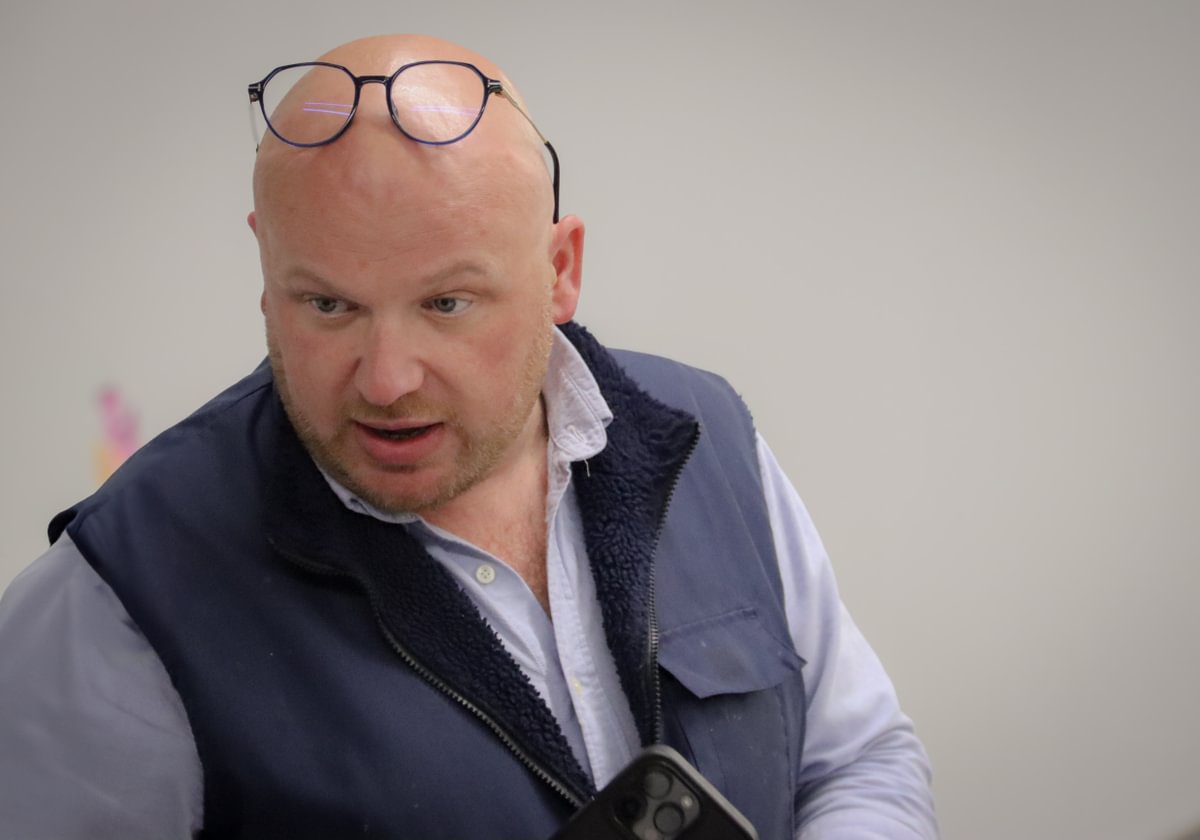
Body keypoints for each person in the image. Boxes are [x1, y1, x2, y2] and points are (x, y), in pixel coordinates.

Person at [0, 34, 937, 839]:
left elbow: (858, 759)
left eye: (447, 302)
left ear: (561, 270)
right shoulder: (114, 596)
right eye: (326, 303)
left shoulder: (710, 436)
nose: (386, 379)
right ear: (265, 265)